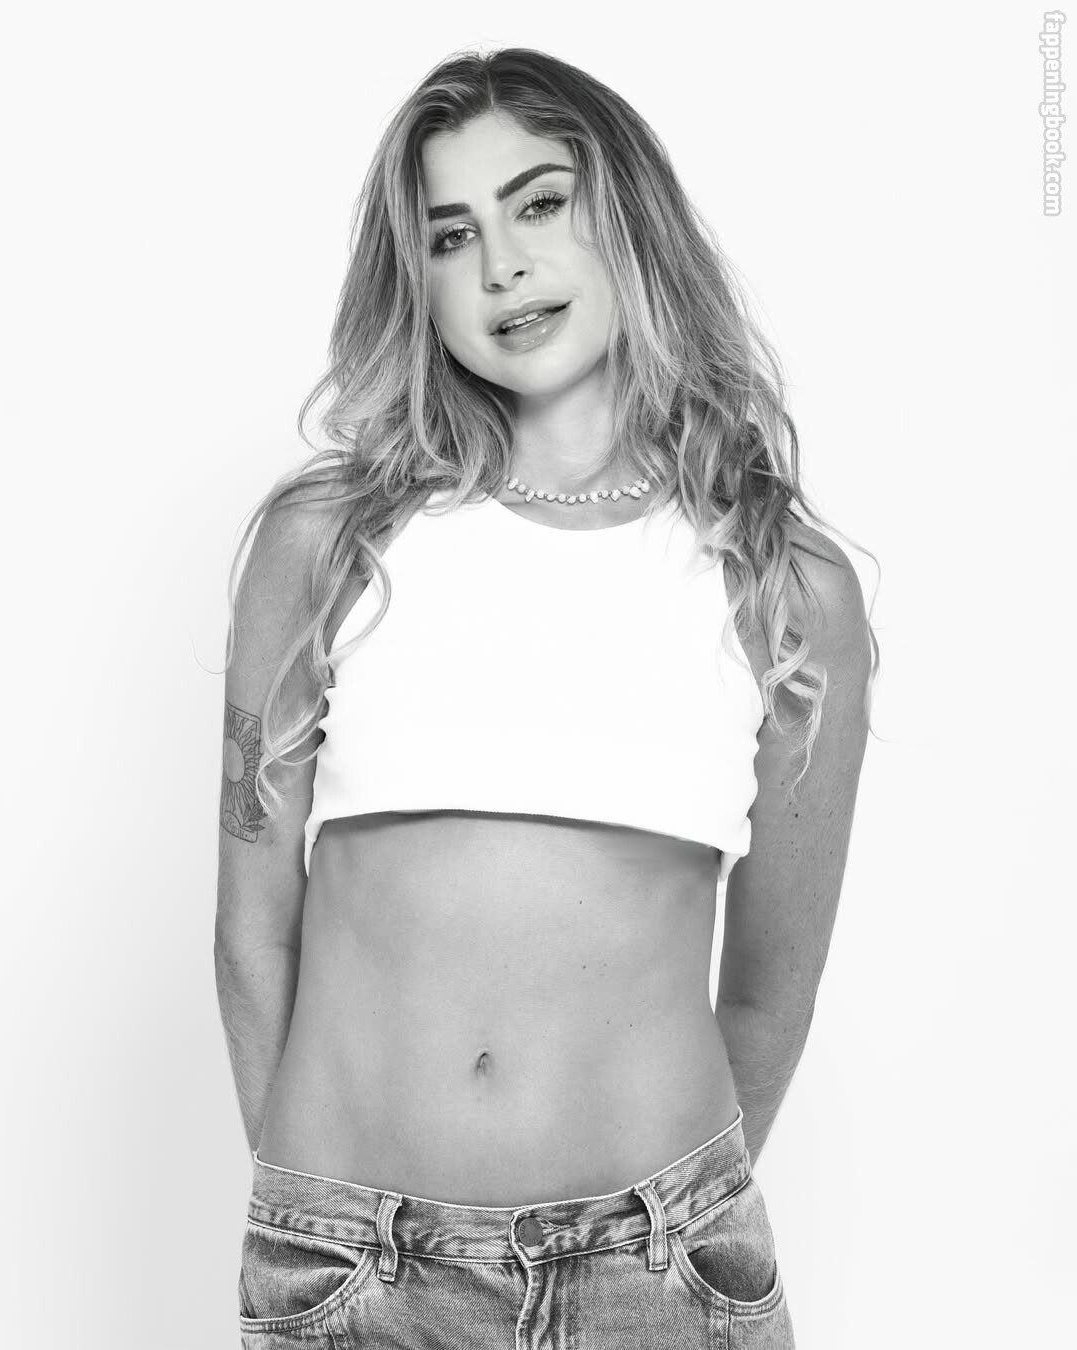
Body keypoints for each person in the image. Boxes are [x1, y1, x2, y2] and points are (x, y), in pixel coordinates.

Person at [215, 45, 878, 1350]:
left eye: (540, 204)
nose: (502, 266)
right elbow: (251, 934)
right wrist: (312, 1208)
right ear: (419, 282)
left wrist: (655, 1222)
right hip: (352, 1272)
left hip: (662, 1275)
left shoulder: (783, 588)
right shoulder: (331, 544)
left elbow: (771, 991)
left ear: (630, 219)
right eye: (452, 234)